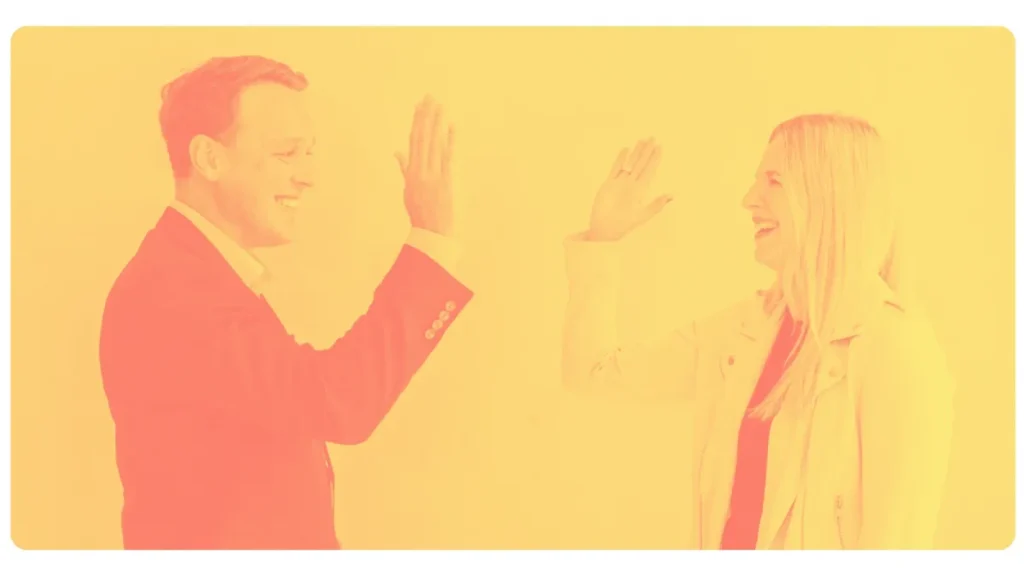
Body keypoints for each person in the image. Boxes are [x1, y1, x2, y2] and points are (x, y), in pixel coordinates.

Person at [98, 55, 473, 550]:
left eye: (308, 153)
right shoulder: (172, 290)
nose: (308, 176)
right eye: (287, 153)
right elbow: (336, 400)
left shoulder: (194, 274)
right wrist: (431, 238)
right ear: (209, 158)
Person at [561, 115, 955, 549]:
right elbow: (594, 374)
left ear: (828, 195)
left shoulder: (897, 350)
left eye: (774, 181)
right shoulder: (743, 331)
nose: (749, 200)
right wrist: (602, 241)